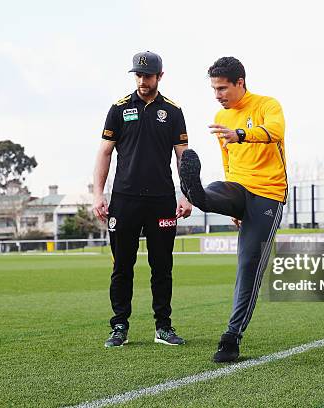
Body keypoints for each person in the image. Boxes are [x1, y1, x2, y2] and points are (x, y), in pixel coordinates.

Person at [179, 57, 286, 363]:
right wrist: (230, 207)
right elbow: (228, 163)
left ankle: (231, 336)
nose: (218, 95)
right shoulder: (219, 115)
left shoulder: (267, 105)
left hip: (268, 195)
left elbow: (275, 131)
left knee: (248, 265)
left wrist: (240, 134)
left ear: (240, 82)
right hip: (236, 189)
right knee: (211, 188)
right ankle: (197, 194)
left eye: (223, 88)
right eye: (214, 89)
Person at [92, 51, 192, 348]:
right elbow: (105, 152)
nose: (142, 80)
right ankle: (119, 326)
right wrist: (98, 194)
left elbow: (183, 157)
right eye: (137, 75)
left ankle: (163, 327)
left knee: (162, 267)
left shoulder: (173, 112)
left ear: (160, 76)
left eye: (148, 76)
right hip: (124, 200)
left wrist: (185, 195)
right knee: (122, 266)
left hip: (162, 200)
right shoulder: (119, 109)